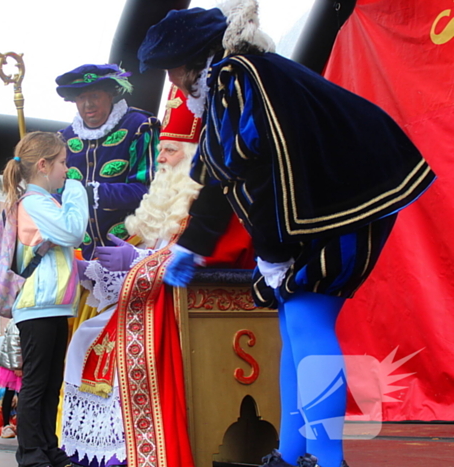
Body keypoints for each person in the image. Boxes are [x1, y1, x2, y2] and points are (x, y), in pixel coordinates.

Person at [137, 3, 436, 467]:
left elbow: (265, 166)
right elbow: (220, 178)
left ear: (198, 58)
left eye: (174, 68)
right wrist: (192, 247)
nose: (173, 81)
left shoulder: (240, 77)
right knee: (293, 325)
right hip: (329, 200)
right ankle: (294, 453)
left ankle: (327, 459)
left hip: (341, 199)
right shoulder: (230, 84)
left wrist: (274, 252)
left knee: (306, 320)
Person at [61, 87, 254, 467]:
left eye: (170, 150)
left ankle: (131, 455)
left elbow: (208, 257)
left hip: (195, 310)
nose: (160, 157)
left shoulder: (215, 201)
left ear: (196, 157)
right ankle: (103, 456)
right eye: (161, 148)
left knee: (101, 341)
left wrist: (133, 259)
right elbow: (153, 256)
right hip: (158, 300)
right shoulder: (172, 203)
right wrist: (93, 271)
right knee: (86, 335)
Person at [1, 131, 87, 467]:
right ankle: (31, 453)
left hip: (52, 304)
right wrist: (77, 191)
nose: (66, 171)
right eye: (63, 163)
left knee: (51, 382)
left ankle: (49, 447)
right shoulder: (34, 202)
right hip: (37, 305)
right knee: (37, 383)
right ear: (43, 165)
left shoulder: (44, 202)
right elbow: (74, 230)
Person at [56, 63, 159, 260]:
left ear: (110, 94)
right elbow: (56, 193)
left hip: (133, 249)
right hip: (81, 257)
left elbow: (150, 191)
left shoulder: (140, 126)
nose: (88, 104)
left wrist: (92, 193)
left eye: (94, 95)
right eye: (81, 97)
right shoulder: (64, 138)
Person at [0, 318, 23, 439]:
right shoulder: (17, 321)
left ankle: (15, 425)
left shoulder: (14, 321)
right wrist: (17, 365)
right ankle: (8, 425)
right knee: (14, 394)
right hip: (15, 363)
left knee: (12, 393)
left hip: (14, 361)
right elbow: (14, 342)